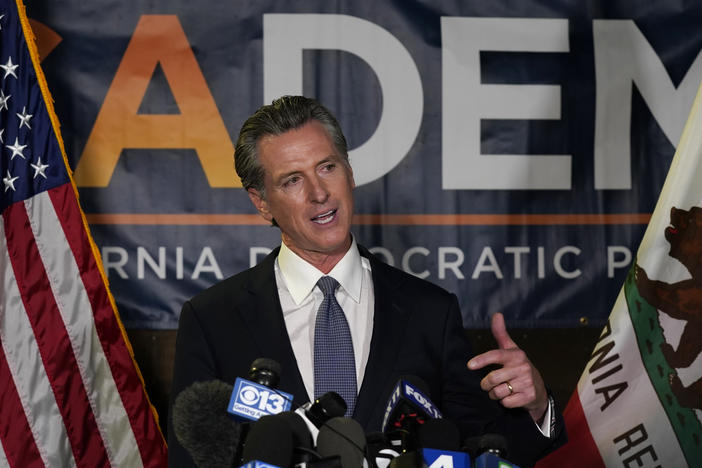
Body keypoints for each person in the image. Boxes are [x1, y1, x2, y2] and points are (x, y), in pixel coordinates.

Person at [168, 96, 566, 467]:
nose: (319, 193)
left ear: (349, 172)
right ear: (261, 202)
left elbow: (480, 449)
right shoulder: (213, 320)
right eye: (292, 180)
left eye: (327, 167)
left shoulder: (431, 312)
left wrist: (537, 407)